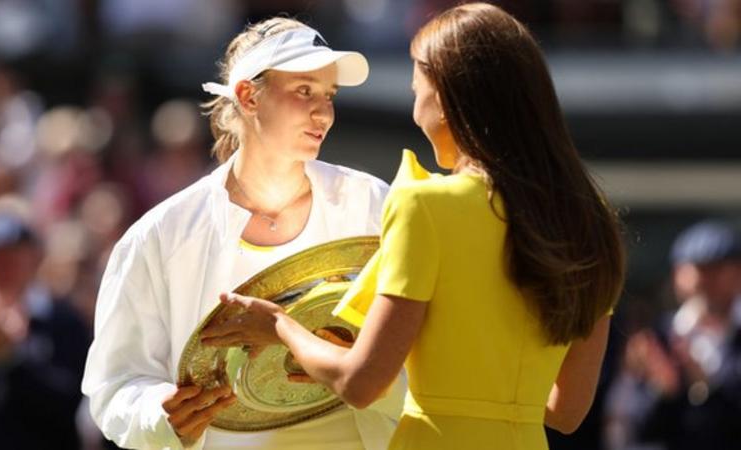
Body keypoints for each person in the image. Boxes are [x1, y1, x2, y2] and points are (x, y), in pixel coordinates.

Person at [210, 3, 626, 449]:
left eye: (416, 92)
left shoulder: (425, 204)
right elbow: (567, 411)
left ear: (443, 99)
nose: (414, 112)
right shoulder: (592, 220)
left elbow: (360, 383)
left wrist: (279, 326)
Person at [81, 17, 405, 450]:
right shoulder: (160, 236)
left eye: (329, 95)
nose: (323, 112)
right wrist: (161, 413)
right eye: (304, 91)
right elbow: (114, 386)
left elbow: (423, 351)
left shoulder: (373, 204)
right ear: (249, 97)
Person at [0, 212, 89, 450]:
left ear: (34, 258)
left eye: (11, 258)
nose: (2, 269)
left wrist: (14, 358)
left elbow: (70, 404)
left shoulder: (61, 320)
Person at [605, 220, 741, 450]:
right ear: (678, 275)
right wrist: (663, 392)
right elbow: (630, 426)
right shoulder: (658, 337)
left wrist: (707, 389)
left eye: (717, 270)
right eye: (699, 270)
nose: (706, 281)